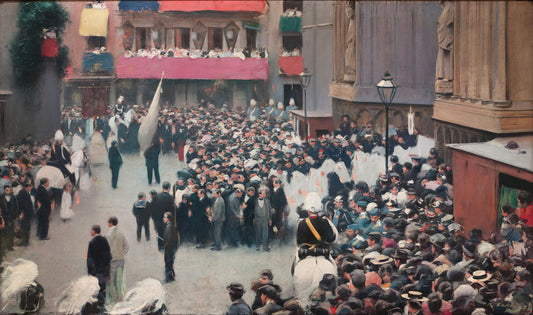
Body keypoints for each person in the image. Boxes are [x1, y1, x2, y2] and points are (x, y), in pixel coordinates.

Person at [296, 192, 338, 260]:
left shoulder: (302, 223)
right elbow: (331, 238)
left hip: (306, 253)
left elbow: (299, 242)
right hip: (322, 252)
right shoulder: (324, 221)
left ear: (308, 210)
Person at [105, 216, 129, 307]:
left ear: (111, 223)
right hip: (121, 260)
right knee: (119, 280)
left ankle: (114, 300)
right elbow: (127, 246)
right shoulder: (121, 234)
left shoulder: (107, 235)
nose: (107, 224)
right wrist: (122, 254)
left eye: (108, 222)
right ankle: (120, 298)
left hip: (112, 261)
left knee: (111, 281)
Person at [87, 224, 112, 306]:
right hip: (104, 269)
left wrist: (91, 272)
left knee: (96, 288)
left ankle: (99, 305)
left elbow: (90, 259)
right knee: (103, 287)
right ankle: (105, 304)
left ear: (94, 231)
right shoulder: (104, 240)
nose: (90, 232)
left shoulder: (92, 242)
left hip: (96, 270)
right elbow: (109, 255)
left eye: (91, 230)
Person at [1, 185, 20, 251]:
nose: (8, 191)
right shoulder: (1, 197)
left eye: (9, 190)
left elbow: (16, 207)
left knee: (11, 232)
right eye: (7, 190)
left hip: (11, 218)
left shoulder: (13, 197)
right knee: (4, 233)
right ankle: (4, 247)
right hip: (4, 217)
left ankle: (10, 246)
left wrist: (16, 216)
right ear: (4, 190)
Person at [254, 187, 273, 252]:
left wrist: (270, 219)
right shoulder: (255, 201)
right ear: (259, 194)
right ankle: (258, 246)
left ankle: (265, 246)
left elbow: (269, 211)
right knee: (258, 233)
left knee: (265, 233)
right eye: (264, 193)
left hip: (265, 219)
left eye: (265, 193)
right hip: (257, 219)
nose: (265, 195)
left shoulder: (267, 201)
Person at [163, 212, 178, 283]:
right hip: (171, 248)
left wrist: (165, 246)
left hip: (169, 249)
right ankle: (171, 276)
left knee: (168, 263)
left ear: (168, 219)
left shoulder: (169, 227)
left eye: (165, 217)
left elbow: (169, 239)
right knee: (170, 263)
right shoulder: (170, 226)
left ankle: (168, 278)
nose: (164, 219)